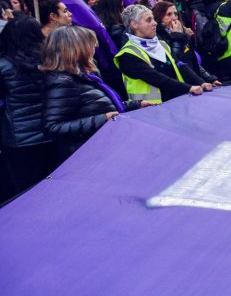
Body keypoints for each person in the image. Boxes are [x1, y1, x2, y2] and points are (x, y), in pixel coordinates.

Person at [41, 25, 145, 163]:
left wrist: (136, 105)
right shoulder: (63, 82)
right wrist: (102, 119)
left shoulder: (86, 76)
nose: (94, 49)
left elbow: (100, 107)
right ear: (76, 49)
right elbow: (52, 127)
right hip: (87, 157)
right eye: (90, 45)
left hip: (102, 149)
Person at [0, 16, 58, 196]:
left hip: (20, 139)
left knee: (28, 193)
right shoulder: (52, 60)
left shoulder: (3, 65)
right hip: (55, 132)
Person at [115, 4, 210, 104]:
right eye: (149, 20)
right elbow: (156, 78)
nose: (155, 23)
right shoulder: (127, 54)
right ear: (134, 24)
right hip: (150, 110)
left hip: (176, 101)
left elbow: (180, 66)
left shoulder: (161, 44)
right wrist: (189, 88)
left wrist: (201, 82)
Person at [153, 1, 220, 86]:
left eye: (176, 14)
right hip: (179, 86)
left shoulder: (182, 34)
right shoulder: (158, 37)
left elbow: (192, 61)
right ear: (159, 17)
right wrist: (177, 36)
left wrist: (209, 78)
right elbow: (174, 60)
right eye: (169, 14)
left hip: (194, 83)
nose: (174, 18)